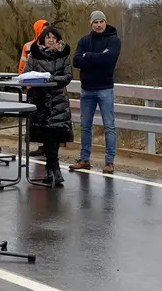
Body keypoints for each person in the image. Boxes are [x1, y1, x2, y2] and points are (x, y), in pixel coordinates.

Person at [24, 26, 75, 187]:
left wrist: (52, 78)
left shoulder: (63, 56)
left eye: (54, 37)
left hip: (58, 99)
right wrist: (39, 80)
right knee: (46, 133)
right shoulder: (34, 56)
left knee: (55, 133)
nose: (51, 40)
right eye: (48, 37)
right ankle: (54, 167)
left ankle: (52, 166)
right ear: (42, 39)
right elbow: (26, 73)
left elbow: (68, 76)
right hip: (40, 100)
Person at [71, 10, 120, 174]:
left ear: (105, 22)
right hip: (87, 90)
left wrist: (88, 57)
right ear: (91, 24)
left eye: (101, 22)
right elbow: (76, 61)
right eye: (95, 22)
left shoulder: (113, 40)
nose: (99, 25)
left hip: (105, 89)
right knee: (85, 126)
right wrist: (97, 57)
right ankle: (84, 159)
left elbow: (109, 59)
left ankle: (109, 162)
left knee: (109, 126)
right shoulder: (84, 40)